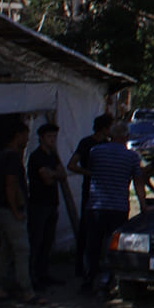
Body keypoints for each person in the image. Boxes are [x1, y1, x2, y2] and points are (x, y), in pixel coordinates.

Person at [81, 119, 147, 297]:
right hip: (118, 207)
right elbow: (139, 183)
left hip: (96, 205)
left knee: (93, 245)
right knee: (112, 246)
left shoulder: (96, 152)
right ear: (126, 137)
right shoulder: (132, 157)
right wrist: (143, 206)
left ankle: (89, 279)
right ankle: (108, 280)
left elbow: (90, 171)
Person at [0, 123, 35, 302]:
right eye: (25, 135)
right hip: (11, 211)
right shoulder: (13, 158)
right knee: (22, 250)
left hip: (1, 209)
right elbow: (11, 184)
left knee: (5, 250)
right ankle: (26, 290)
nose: (27, 139)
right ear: (18, 135)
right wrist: (15, 210)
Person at [67, 113, 113, 281]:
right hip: (91, 190)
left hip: (104, 191)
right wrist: (90, 173)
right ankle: (81, 265)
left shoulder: (108, 144)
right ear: (104, 128)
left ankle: (96, 264)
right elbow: (72, 164)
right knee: (86, 229)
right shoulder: (87, 143)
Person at [26, 122, 66, 288]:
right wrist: (54, 174)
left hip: (51, 203)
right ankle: (31, 276)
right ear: (41, 138)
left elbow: (62, 174)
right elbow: (47, 179)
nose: (53, 140)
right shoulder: (37, 156)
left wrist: (54, 174)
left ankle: (43, 273)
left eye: (54, 137)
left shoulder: (52, 155)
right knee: (36, 240)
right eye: (49, 137)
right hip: (38, 203)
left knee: (47, 241)